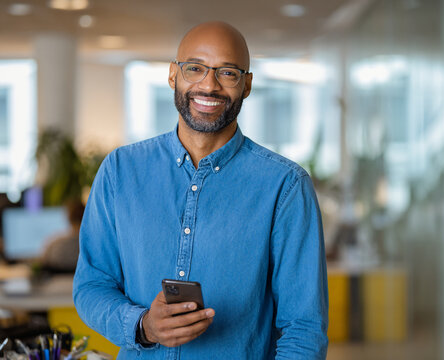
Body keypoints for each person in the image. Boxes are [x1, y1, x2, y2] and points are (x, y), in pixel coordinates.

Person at [73, 21, 328, 359]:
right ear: (172, 75)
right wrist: (144, 325)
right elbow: (92, 286)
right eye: (195, 68)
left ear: (247, 84)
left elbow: (303, 328)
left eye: (228, 73)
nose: (209, 85)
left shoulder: (285, 186)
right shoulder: (120, 171)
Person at [41, 199, 84, 272]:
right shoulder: (92, 246)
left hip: (56, 283)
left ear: (68, 217)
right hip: (83, 283)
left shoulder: (53, 244)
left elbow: (42, 265)